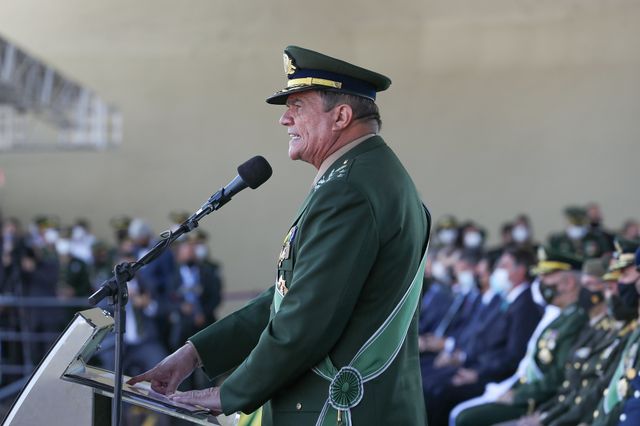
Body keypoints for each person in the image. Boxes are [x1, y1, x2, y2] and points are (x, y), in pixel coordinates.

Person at [129, 45, 431, 425]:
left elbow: (307, 318)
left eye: (297, 106)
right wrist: (196, 352)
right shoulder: (370, 175)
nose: (284, 119)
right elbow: (293, 293)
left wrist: (228, 392)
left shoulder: (349, 190)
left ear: (341, 116)